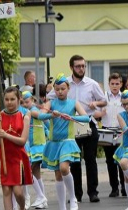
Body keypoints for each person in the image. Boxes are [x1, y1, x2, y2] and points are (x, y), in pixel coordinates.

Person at [47, 55, 107, 203]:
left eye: (83, 66)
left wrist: (95, 103)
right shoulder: (65, 84)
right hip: (70, 126)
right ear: (72, 67)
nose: (81, 69)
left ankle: (93, 192)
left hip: (88, 123)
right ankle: (77, 194)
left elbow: (105, 100)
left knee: (90, 159)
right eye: (78, 66)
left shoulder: (91, 83)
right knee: (74, 161)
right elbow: (49, 98)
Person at [39, 74, 90, 210]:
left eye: (62, 89)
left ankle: (73, 197)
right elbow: (40, 115)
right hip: (54, 143)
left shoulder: (74, 103)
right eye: (57, 89)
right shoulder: (51, 103)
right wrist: (51, 115)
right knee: (57, 174)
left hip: (67, 141)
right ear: (54, 90)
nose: (60, 92)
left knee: (63, 168)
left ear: (68, 88)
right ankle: (62, 206)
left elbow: (86, 118)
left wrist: (71, 117)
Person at [0, 86, 32, 210]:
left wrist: (6, 135)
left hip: (18, 158)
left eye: (12, 99)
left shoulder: (24, 115)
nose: (9, 102)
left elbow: (22, 141)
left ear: (19, 99)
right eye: (6, 99)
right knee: (6, 191)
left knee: (18, 192)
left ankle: (22, 207)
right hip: (3, 156)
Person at [100, 73, 126, 198]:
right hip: (107, 130)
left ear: (121, 84)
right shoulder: (103, 97)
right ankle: (114, 188)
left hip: (121, 130)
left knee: (122, 160)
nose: (115, 86)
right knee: (110, 161)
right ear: (109, 84)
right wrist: (100, 112)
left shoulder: (125, 96)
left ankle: (125, 187)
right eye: (112, 84)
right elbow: (97, 111)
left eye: (117, 84)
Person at [21, 91, 49, 209]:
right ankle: (42, 199)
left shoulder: (33, 110)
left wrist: (48, 134)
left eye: (27, 102)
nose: (25, 104)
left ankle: (41, 197)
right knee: (36, 172)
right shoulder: (27, 110)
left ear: (32, 100)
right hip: (32, 145)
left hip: (37, 145)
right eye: (23, 103)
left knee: (30, 171)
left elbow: (44, 122)